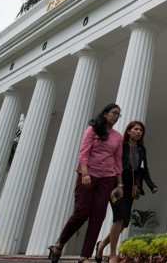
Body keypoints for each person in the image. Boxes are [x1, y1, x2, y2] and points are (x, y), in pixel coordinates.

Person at [49, 103, 123, 263]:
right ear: (105, 114)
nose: (116, 116)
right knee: (81, 213)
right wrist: (85, 173)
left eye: (118, 115)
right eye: (114, 113)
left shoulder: (117, 136)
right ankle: (59, 244)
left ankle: (84, 256)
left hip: (107, 178)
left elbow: (117, 160)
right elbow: (84, 152)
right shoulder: (93, 130)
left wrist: (120, 184)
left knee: (98, 216)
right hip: (88, 175)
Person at [95, 120, 158, 263]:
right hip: (117, 185)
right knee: (119, 217)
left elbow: (144, 169)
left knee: (124, 222)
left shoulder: (142, 150)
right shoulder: (121, 146)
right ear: (129, 131)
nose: (138, 132)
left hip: (132, 188)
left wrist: (151, 185)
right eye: (136, 129)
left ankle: (102, 244)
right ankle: (112, 254)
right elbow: (113, 163)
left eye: (141, 130)